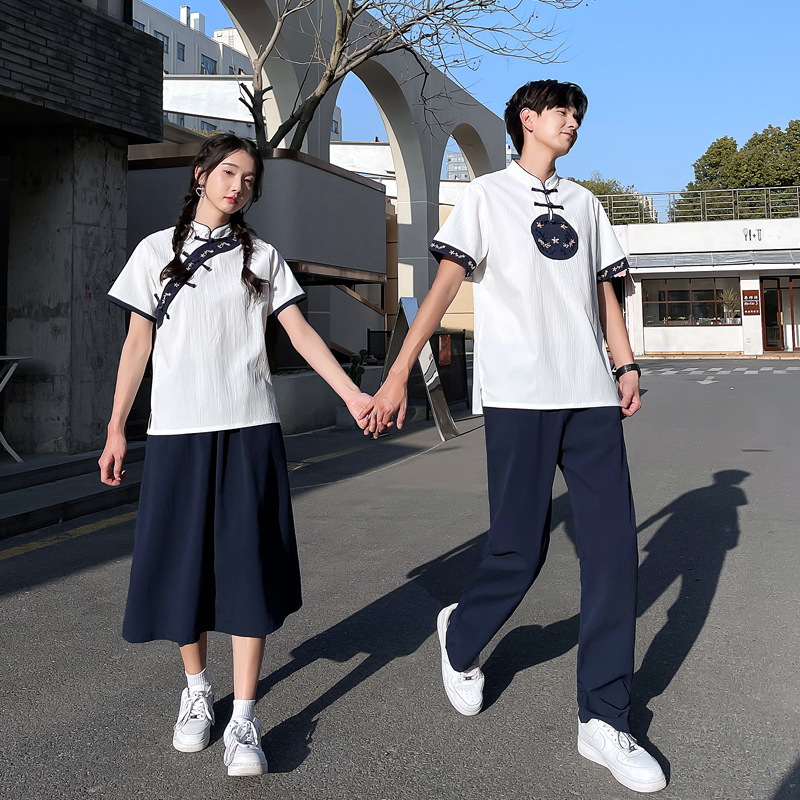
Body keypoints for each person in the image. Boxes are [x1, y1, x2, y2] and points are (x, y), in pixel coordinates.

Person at [363, 80, 667, 793]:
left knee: (614, 555)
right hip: (519, 396)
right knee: (519, 549)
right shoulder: (485, 196)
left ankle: (605, 718)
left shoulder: (585, 204)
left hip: (588, 396)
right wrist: (399, 373)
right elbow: (443, 288)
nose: (573, 123)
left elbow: (604, 290)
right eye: (562, 112)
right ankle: (461, 634)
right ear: (526, 120)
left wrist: (625, 364)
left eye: (578, 115)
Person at [98, 134, 372, 778]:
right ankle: (197, 691)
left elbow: (300, 333)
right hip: (177, 432)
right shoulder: (154, 252)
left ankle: (244, 715)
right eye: (227, 172)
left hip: (249, 428)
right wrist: (115, 427)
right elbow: (137, 345)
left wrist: (353, 394)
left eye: (249, 179)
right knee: (183, 566)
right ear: (200, 175)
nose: (237, 186)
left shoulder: (263, 256)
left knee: (248, 567)